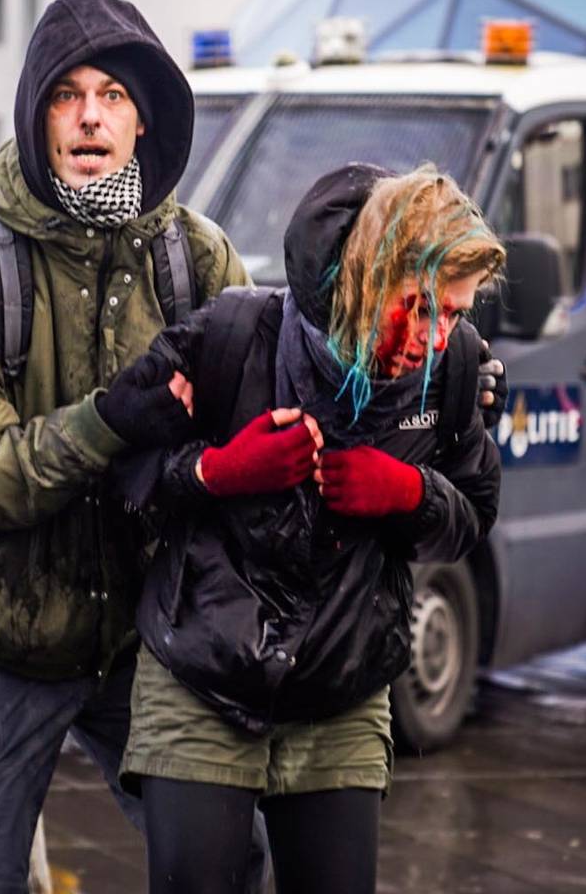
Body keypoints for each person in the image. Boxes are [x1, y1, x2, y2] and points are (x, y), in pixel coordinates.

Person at [0, 0, 256, 888]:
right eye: (66, 94)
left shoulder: (201, 262)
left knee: (230, 866)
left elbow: (254, 442)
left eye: (114, 95)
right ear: (35, 113)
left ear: (145, 119)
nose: (91, 115)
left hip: (147, 634)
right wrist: (111, 420)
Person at [121, 162, 505, 894]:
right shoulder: (235, 337)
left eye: (456, 314)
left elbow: (473, 516)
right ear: (371, 274)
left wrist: (410, 493)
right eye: (424, 308)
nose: (438, 335)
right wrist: (220, 472)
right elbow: (129, 475)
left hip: (343, 679)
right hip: (203, 669)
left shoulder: (453, 370)